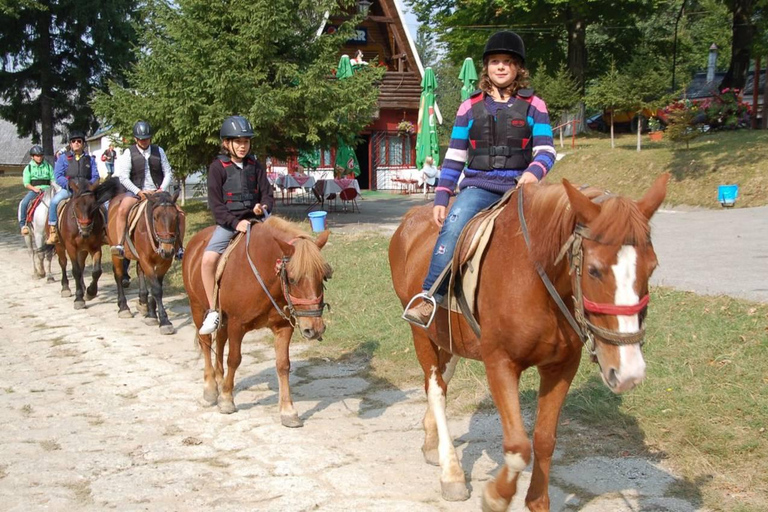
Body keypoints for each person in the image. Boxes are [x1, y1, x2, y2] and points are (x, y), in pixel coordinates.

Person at [403, 30, 556, 326]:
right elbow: (455, 157)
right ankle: (431, 295)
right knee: (454, 226)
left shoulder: (535, 105)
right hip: (479, 187)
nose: (501, 67)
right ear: (486, 67)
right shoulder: (469, 107)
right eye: (495, 61)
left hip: (520, 188)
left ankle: (566, 301)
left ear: (518, 68)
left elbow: (546, 151)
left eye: (507, 61)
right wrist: (442, 196)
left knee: (558, 230)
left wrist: (532, 174)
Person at [198, 115, 274, 335]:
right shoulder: (217, 167)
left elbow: (268, 194)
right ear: (226, 143)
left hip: (257, 221)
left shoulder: (255, 166)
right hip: (229, 224)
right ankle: (213, 310)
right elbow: (216, 205)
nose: (243, 146)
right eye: (238, 141)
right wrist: (234, 222)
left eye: (246, 142)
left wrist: (263, 206)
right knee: (208, 259)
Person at [110, 121, 174, 258]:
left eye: (146, 138)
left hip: (158, 191)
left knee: (178, 212)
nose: (143, 141)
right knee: (122, 210)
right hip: (136, 192)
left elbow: (168, 172)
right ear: (135, 139)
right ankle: (120, 244)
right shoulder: (128, 153)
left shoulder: (159, 151)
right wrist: (139, 191)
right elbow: (124, 177)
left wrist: (161, 188)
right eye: (140, 139)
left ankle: (179, 248)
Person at [47, 131, 99, 244]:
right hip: (70, 189)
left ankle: (105, 229)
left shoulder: (90, 159)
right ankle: (53, 230)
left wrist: (90, 186)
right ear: (70, 144)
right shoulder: (62, 158)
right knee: (54, 202)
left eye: (79, 141)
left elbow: (95, 175)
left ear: (83, 144)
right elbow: (58, 176)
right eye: (73, 141)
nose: (76, 143)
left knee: (104, 203)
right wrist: (69, 184)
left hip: (86, 191)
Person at [18, 145, 54, 235]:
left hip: (48, 190)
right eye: (37, 156)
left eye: (41, 155)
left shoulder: (48, 166)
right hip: (35, 190)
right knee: (24, 203)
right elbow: (26, 183)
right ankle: (23, 225)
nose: (39, 157)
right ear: (32, 157)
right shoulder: (28, 168)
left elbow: (53, 179)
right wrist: (34, 189)